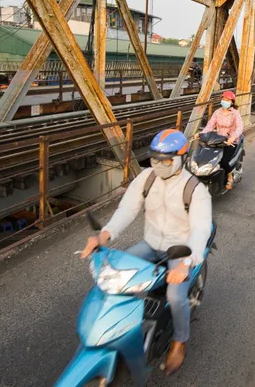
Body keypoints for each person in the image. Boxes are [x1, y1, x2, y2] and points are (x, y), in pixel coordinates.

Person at [81, 129, 213, 376]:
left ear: (182, 158)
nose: (159, 166)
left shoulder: (196, 190)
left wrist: (186, 263)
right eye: (155, 160)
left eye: (167, 161)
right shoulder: (145, 178)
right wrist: (104, 235)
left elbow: (200, 229)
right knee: (113, 274)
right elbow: (127, 209)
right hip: (150, 244)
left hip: (179, 250)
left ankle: (180, 341)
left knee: (175, 295)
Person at [198, 91, 243, 189]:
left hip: (229, 142)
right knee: (207, 157)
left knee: (223, 160)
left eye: (227, 100)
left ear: (232, 102)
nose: (225, 101)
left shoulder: (235, 114)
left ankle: (230, 177)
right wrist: (201, 134)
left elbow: (239, 127)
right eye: (223, 99)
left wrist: (233, 137)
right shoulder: (217, 112)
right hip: (218, 140)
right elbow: (210, 126)